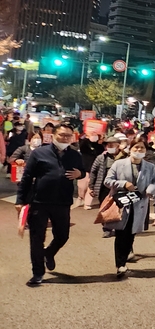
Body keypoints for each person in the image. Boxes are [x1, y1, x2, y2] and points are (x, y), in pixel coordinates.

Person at [18, 122, 85, 286]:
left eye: (68, 136)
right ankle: (37, 273)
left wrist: (79, 173)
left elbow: (83, 171)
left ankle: (49, 253)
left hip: (62, 202)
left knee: (63, 235)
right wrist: (20, 200)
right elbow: (27, 177)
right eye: (62, 135)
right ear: (53, 135)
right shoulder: (39, 153)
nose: (65, 138)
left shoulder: (75, 155)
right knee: (36, 238)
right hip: (39, 202)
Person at [104, 140, 155, 278]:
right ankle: (120, 265)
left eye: (142, 147)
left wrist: (151, 189)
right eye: (136, 147)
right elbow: (108, 181)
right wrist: (123, 184)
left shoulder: (149, 167)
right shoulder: (119, 164)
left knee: (131, 235)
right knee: (121, 235)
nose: (139, 149)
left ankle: (123, 260)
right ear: (130, 149)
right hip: (122, 204)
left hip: (139, 205)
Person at [76, 131, 103, 209]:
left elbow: (99, 152)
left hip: (94, 168)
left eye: (95, 135)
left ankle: (87, 203)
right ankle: (80, 197)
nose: (94, 136)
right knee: (82, 186)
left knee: (91, 185)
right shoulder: (84, 144)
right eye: (92, 134)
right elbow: (81, 142)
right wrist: (86, 135)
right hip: (84, 167)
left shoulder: (99, 146)